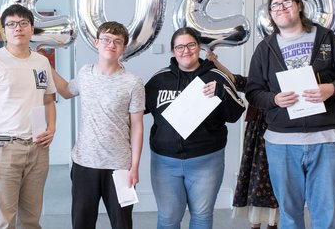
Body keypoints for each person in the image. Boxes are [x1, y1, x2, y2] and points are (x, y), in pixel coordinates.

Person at [246, 0, 335, 229]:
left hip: (325, 139)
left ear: (299, 6)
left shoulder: (326, 39)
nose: (281, 8)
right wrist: (274, 100)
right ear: (270, 13)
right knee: (289, 215)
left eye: (287, 2)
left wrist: (331, 89)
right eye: (275, 5)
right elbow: (254, 92)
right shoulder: (264, 49)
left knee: (324, 214)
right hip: (281, 143)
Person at [145, 27, 245, 229]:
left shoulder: (217, 77)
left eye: (191, 45)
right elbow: (135, 111)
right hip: (165, 163)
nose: (186, 50)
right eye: (179, 46)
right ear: (173, 51)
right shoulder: (159, 80)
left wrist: (221, 93)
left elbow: (235, 114)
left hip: (207, 161)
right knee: (168, 218)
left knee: (201, 215)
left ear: (198, 47)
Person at [52, 21, 145, 229]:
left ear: (123, 48)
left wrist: (135, 165)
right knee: (81, 224)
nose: (111, 45)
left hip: (119, 166)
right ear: (96, 42)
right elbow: (67, 91)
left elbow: (137, 126)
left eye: (117, 42)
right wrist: (46, 67)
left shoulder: (133, 82)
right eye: (106, 39)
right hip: (85, 163)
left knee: (122, 224)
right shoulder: (86, 73)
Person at [0, 4, 56, 228]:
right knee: (3, 221)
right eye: (11, 24)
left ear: (31, 28)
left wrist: (52, 128)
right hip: (3, 149)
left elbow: (49, 99)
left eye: (23, 23)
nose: (17, 28)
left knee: (31, 219)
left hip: (37, 149)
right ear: (4, 30)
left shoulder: (41, 62)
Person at [206, 51, 279, 229]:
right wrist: (216, 62)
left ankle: (273, 223)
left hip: (278, 129)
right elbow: (235, 80)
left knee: (275, 177)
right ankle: (256, 223)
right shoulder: (256, 82)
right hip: (256, 134)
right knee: (255, 176)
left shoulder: (282, 80)